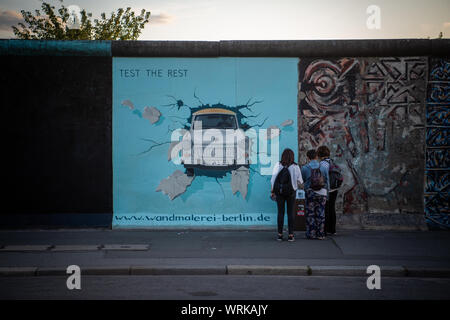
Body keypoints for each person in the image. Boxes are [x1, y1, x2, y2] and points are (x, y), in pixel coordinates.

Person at [271, 148, 303, 242]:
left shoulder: (278, 165)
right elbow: (300, 181)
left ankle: (280, 235)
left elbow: (273, 179)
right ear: (292, 156)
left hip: (280, 192)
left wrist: (272, 191)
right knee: (290, 213)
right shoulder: (295, 166)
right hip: (291, 192)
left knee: (280, 212)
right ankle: (291, 235)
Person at [301, 149, 329, 240]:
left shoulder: (305, 168)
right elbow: (327, 180)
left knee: (310, 213)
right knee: (321, 213)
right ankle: (320, 234)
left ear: (308, 157)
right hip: (322, 192)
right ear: (317, 157)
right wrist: (327, 193)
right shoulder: (323, 167)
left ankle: (311, 234)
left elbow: (303, 181)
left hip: (310, 192)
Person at [317, 145, 337, 236]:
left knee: (326, 210)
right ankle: (332, 230)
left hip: (328, 189)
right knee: (332, 209)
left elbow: (325, 178)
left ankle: (325, 230)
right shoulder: (331, 161)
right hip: (335, 188)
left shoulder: (323, 164)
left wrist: (326, 191)